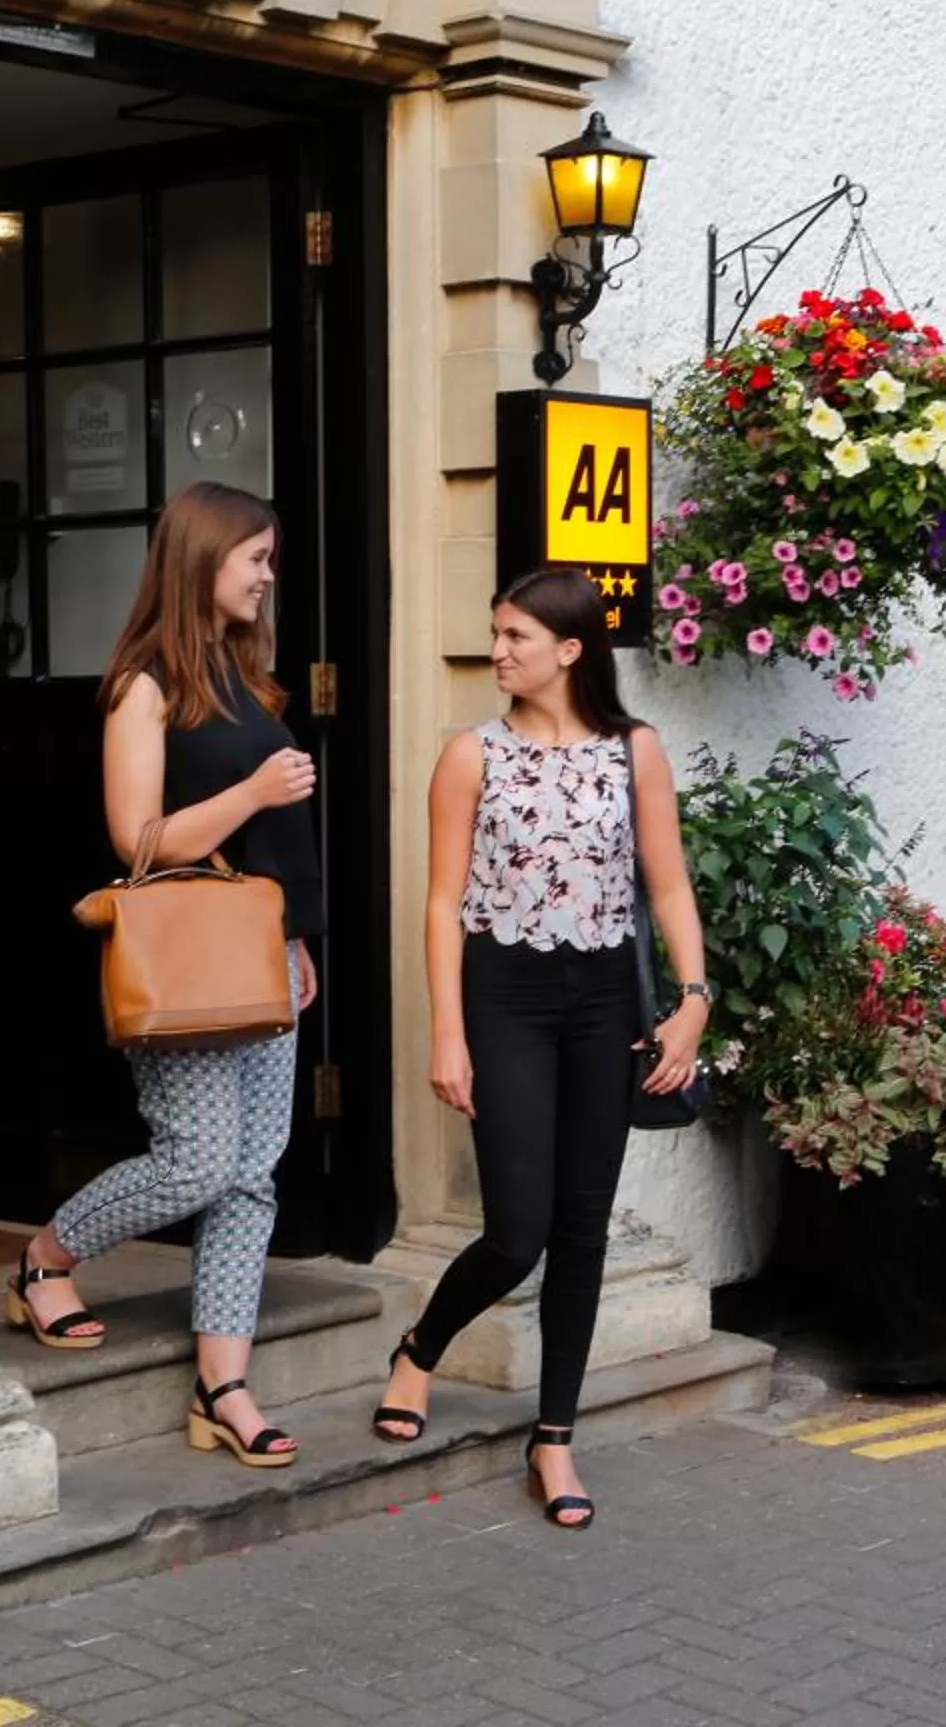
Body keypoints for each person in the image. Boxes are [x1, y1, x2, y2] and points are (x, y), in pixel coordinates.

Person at [370, 566, 709, 1529]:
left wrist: (693, 1000)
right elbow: (440, 903)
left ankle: (554, 1438)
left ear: (570, 650)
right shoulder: (469, 754)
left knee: (585, 1228)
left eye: (516, 635)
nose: (499, 650)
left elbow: (670, 886)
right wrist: (447, 1030)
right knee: (517, 1232)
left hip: (606, 1000)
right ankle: (421, 1348)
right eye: (495, 633)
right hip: (505, 995)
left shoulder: (633, 751)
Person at [7, 481, 323, 1471]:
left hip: (264, 950)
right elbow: (136, 841)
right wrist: (252, 788)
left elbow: (277, 843)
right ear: (203, 559)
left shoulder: (245, 674)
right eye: (256, 559)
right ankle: (45, 1259)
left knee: (252, 1171)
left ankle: (222, 1381)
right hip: (186, 953)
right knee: (198, 1157)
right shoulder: (143, 684)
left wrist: (300, 941)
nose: (268, 577)